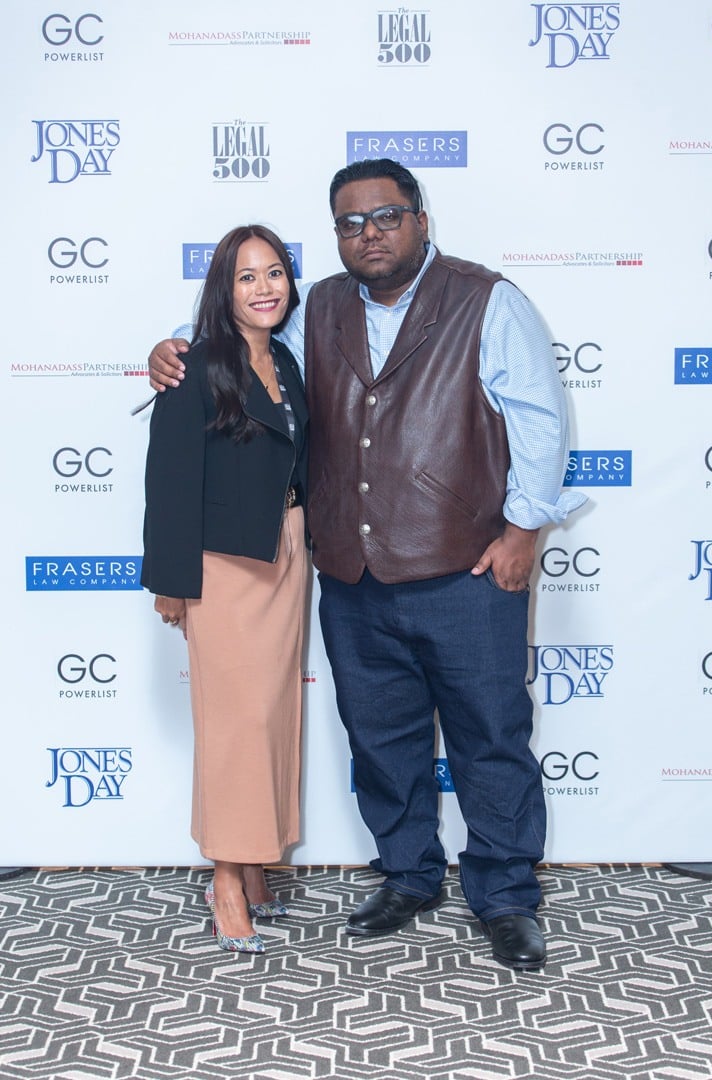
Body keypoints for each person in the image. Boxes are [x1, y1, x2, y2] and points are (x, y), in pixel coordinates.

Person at [148, 159, 585, 971]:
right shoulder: (319, 306)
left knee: (491, 738)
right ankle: (408, 874)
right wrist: (171, 347)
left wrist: (523, 529)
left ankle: (505, 896)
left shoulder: (488, 300)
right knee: (382, 740)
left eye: (385, 216)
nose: (369, 234)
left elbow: (538, 420)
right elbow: (238, 334)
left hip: (466, 569)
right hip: (352, 576)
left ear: (421, 219)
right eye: (350, 223)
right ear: (337, 236)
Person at [142, 224, 309, 954]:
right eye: (247, 277)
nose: (264, 288)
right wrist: (172, 582)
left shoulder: (287, 361)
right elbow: (170, 478)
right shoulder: (196, 364)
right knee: (234, 724)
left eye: (274, 273)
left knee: (272, 716)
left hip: (287, 552)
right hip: (224, 567)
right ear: (223, 289)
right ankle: (225, 882)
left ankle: (254, 861)